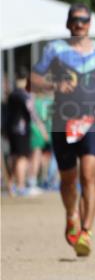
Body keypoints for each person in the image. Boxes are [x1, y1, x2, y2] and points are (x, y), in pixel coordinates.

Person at [31, 3, 95, 257]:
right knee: (69, 181)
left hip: (92, 121)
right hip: (62, 123)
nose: (80, 24)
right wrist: (54, 85)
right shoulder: (55, 49)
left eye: (84, 20)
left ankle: (86, 233)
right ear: (68, 23)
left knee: (89, 176)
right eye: (75, 20)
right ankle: (71, 214)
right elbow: (33, 80)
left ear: (90, 24)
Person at [5, 69, 44, 197]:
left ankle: (11, 185)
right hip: (21, 130)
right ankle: (21, 186)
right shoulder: (24, 95)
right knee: (22, 158)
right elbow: (32, 113)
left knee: (13, 156)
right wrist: (41, 128)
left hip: (10, 129)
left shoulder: (11, 94)